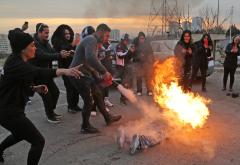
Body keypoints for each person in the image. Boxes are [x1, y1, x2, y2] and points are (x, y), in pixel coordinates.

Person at [0, 29, 81, 165]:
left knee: (20, 134)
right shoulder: (16, 63)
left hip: (10, 109)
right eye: (32, 45)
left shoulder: (18, 61)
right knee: (38, 141)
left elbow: (18, 83)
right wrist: (65, 71)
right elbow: (39, 72)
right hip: (8, 111)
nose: (35, 47)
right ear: (22, 49)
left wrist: (35, 88)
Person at [69, 24, 122, 133]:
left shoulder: (94, 42)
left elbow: (88, 62)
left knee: (97, 93)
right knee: (89, 100)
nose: (107, 38)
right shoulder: (91, 39)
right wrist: (104, 71)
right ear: (101, 32)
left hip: (84, 73)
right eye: (107, 36)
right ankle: (85, 126)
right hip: (77, 74)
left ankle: (108, 118)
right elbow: (90, 57)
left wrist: (98, 77)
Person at [30, 23, 70, 123]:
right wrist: (59, 55)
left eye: (48, 33)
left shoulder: (46, 42)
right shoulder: (34, 44)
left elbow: (52, 52)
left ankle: (50, 111)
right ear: (39, 32)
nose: (47, 35)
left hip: (46, 74)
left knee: (55, 93)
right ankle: (50, 115)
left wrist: (63, 53)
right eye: (45, 33)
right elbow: (43, 55)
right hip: (38, 75)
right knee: (47, 96)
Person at [51, 24, 82, 113]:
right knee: (70, 88)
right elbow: (64, 49)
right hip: (65, 70)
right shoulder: (60, 44)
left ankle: (75, 105)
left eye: (68, 33)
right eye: (65, 34)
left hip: (74, 68)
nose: (68, 35)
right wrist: (74, 43)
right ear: (62, 35)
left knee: (76, 88)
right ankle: (70, 107)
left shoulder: (69, 43)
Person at [132, 32, 154, 96]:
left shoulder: (147, 44)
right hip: (138, 62)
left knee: (147, 77)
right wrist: (138, 56)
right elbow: (132, 53)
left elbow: (151, 52)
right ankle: (139, 91)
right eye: (140, 38)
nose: (142, 39)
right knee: (139, 77)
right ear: (138, 38)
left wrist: (150, 59)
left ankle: (149, 90)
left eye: (143, 38)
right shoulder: (135, 44)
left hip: (146, 62)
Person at [115, 33, 135, 104]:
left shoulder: (125, 46)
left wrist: (131, 52)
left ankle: (126, 96)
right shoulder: (119, 46)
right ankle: (122, 99)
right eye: (125, 40)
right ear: (122, 39)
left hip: (127, 66)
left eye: (127, 40)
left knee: (128, 82)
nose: (127, 41)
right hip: (121, 67)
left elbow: (128, 57)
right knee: (124, 82)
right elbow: (121, 56)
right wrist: (129, 51)